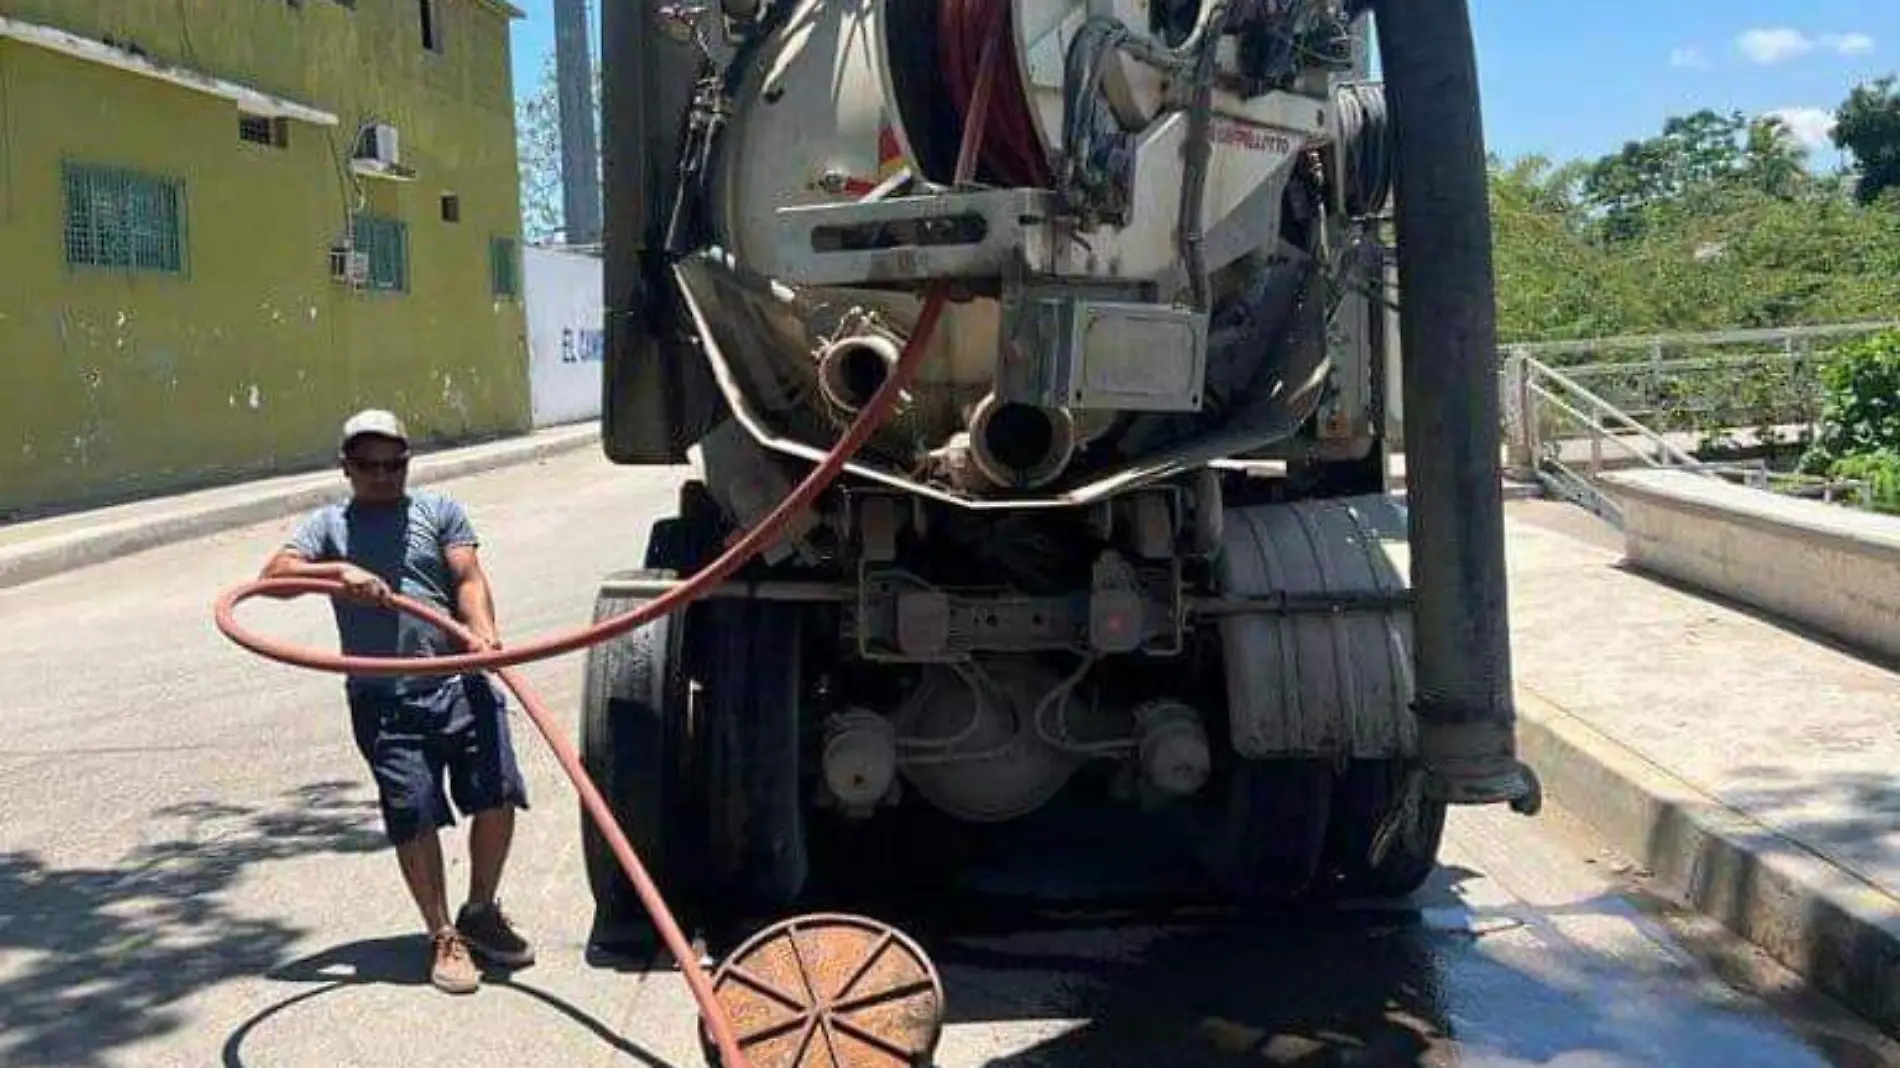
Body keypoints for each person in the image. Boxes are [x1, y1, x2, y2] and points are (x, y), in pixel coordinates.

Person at [259, 408, 533, 994]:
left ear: (408, 463)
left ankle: (480, 911)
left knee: (498, 791)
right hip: (384, 697)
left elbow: (467, 577)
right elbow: (273, 577)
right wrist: (336, 573)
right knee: (413, 813)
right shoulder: (329, 525)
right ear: (346, 467)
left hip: (460, 679)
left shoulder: (438, 511)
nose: (383, 476)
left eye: (394, 464)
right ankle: (441, 934)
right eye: (369, 466)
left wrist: (481, 631)